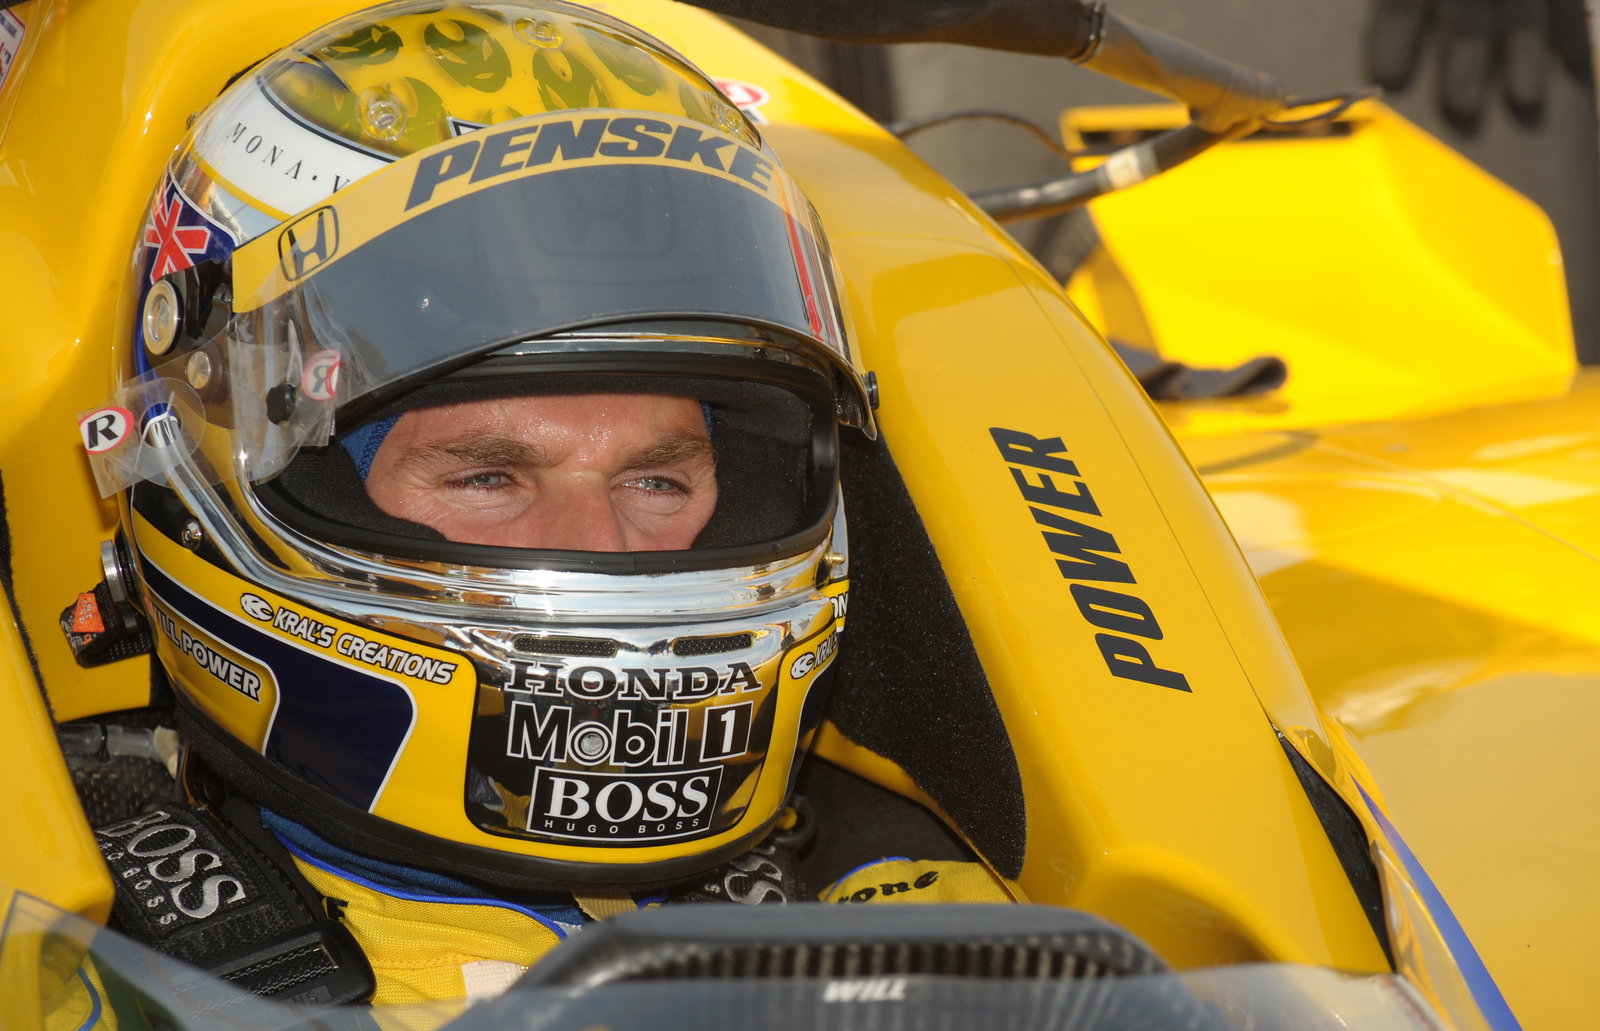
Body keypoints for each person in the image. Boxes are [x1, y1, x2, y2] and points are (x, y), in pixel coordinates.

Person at [69, 0, 1012, 1013]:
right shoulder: (74, 958)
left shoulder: (934, 912)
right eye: (488, 477)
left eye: (659, 479)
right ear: (200, 475)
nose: (600, 551)